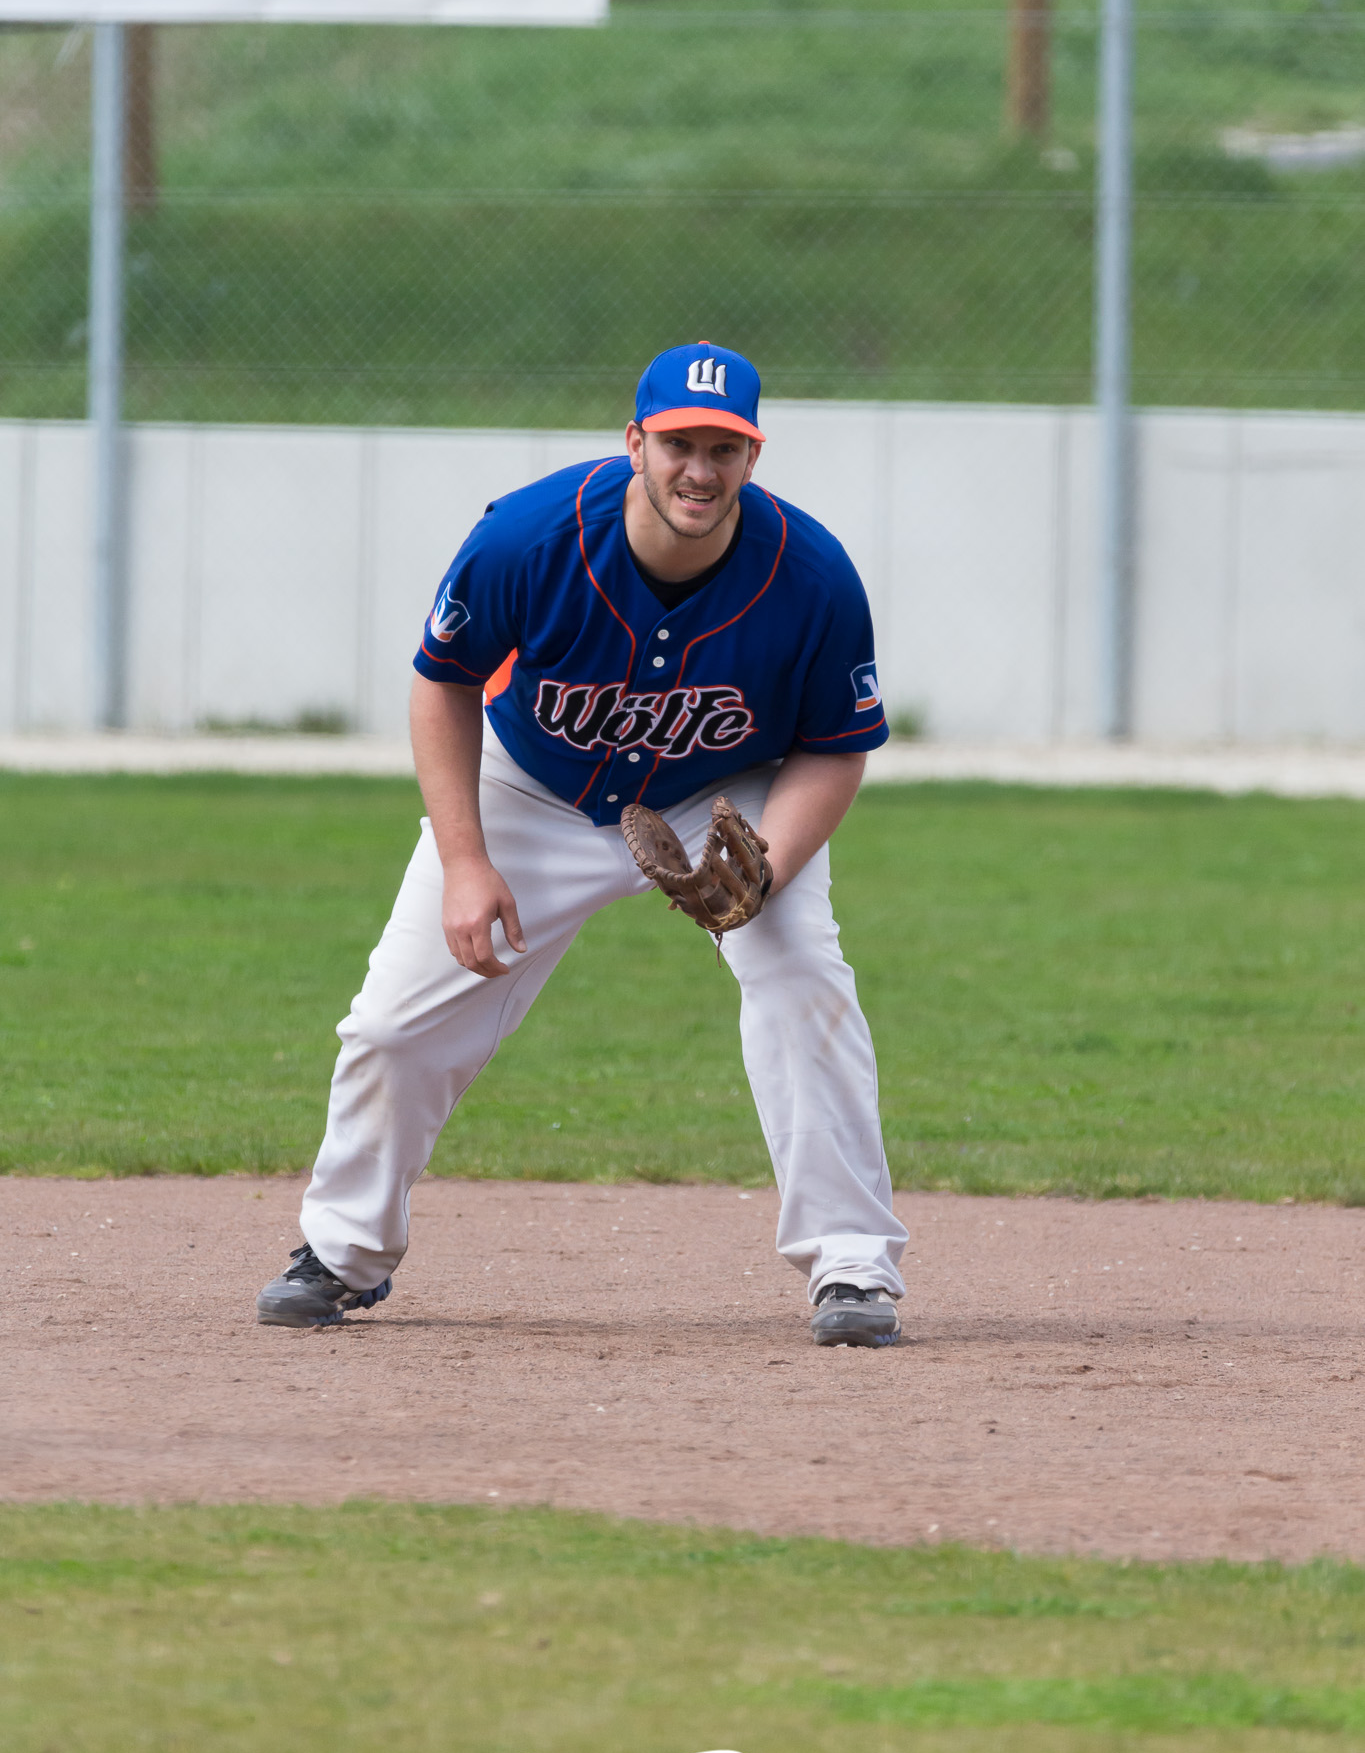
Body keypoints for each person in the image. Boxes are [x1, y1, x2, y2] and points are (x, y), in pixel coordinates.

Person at [257, 341, 907, 1347]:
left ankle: (853, 1266)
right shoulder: (527, 537)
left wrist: (771, 860)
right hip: (533, 787)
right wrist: (467, 859)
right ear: (635, 438)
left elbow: (833, 745)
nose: (700, 467)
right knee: (393, 1025)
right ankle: (340, 1251)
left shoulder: (811, 576)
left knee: (801, 976)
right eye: (680, 442)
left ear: (753, 456)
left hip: (718, 800)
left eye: (724, 447)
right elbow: (444, 680)